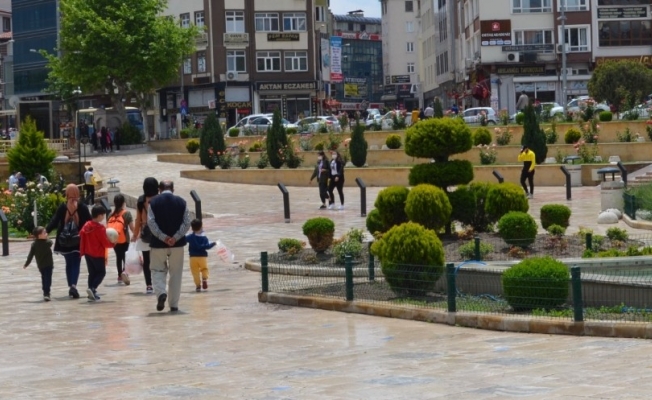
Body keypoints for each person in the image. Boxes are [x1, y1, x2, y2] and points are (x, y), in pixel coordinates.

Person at [147, 180, 191, 312]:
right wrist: (175, 237)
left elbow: (151, 223)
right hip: (177, 245)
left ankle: (161, 292)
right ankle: (174, 304)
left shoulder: (153, 202)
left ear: (159, 189)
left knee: (157, 270)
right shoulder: (182, 202)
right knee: (176, 273)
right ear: (173, 189)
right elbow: (187, 222)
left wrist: (163, 237)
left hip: (158, 244)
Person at [46, 184, 92, 299]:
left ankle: (71, 285)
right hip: (78, 240)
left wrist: (45, 231)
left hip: (64, 241)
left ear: (66, 194)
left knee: (69, 263)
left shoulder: (63, 207)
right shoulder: (82, 207)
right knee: (76, 263)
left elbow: (54, 221)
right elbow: (90, 222)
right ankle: (73, 286)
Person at [80, 204, 115, 302]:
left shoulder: (86, 225)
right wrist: (113, 243)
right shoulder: (100, 228)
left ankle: (91, 292)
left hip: (88, 253)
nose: (103, 217)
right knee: (101, 272)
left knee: (92, 273)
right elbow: (105, 243)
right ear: (99, 215)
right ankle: (92, 288)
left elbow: (81, 236)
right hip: (98, 254)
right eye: (103, 215)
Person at [131, 177, 159, 294]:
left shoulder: (141, 201)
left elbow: (138, 219)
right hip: (158, 233)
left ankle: (149, 285)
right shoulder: (159, 199)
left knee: (146, 261)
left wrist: (135, 234)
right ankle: (158, 282)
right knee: (158, 259)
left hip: (145, 233)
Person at [108, 194, 135, 285]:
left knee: (118, 257)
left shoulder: (110, 215)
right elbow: (132, 227)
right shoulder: (126, 213)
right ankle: (125, 272)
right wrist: (136, 234)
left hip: (114, 239)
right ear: (123, 202)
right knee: (125, 257)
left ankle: (119, 276)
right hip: (125, 239)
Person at [23, 226, 54, 302]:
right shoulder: (47, 242)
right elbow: (51, 242)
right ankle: (46, 293)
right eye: (44, 233)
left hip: (40, 265)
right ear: (39, 235)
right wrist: (46, 238)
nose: (46, 234)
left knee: (44, 278)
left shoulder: (34, 244)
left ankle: (45, 292)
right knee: (47, 279)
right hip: (48, 264)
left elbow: (30, 255)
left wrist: (26, 264)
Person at [186, 219, 216, 292]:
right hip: (202, 257)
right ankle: (204, 279)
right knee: (204, 269)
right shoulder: (204, 238)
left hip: (193, 257)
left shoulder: (190, 237)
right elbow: (207, 246)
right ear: (201, 227)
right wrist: (213, 244)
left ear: (192, 228)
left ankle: (198, 285)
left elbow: (183, 239)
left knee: (195, 272)